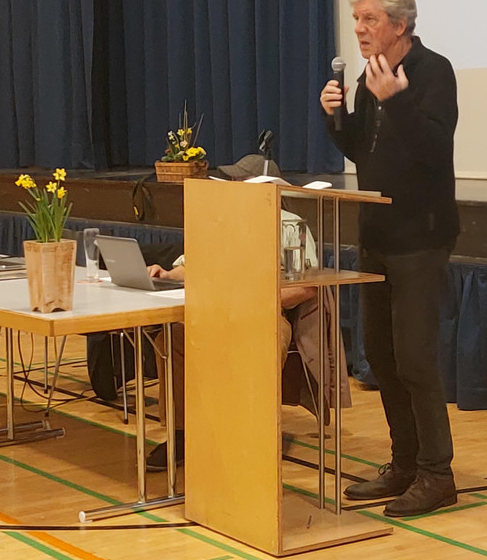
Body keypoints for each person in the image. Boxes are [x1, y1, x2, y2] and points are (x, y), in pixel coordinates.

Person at [319, 0, 459, 517]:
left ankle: (437, 474)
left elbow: (433, 148)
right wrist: (335, 117)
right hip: (376, 234)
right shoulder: (369, 78)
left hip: (420, 236)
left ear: (399, 25)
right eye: (357, 19)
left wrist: (394, 101)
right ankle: (404, 464)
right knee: (379, 353)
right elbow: (363, 151)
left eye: (370, 19)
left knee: (416, 357)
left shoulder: (433, 72)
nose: (359, 29)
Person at [142, 155, 351, 470]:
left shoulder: (290, 226)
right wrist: (166, 274)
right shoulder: (221, 220)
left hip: (267, 314)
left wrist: (252, 300)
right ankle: (184, 433)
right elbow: (191, 264)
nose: (233, 185)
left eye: (240, 181)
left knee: (266, 339)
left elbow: (306, 288)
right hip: (218, 311)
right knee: (175, 337)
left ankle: (255, 433)